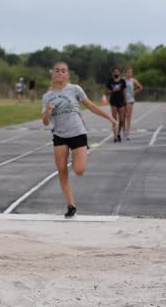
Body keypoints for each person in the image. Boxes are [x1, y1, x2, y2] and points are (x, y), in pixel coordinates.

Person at [42, 62, 117, 218]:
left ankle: (82, 153)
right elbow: (45, 122)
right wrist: (48, 111)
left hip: (77, 133)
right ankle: (71, 205)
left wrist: (110, 118)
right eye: (57, 70)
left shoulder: (75, 89)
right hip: (59, 135)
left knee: (79, 170)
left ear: (68, 74)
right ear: (53, 74)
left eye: (63, 71)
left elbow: (91, 106)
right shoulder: (47, 96)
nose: (60, 73)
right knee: (62, 171)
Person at [104, 66, 127, 143]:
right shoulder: (110, 81)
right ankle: (115, 136)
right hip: (113, 101)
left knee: (121, 119)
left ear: (120, 73)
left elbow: (124, 91)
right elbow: (105, 92)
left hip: (121, 101)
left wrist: (125, 101)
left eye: (118, 71)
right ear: (112, 73)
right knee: (114, 119)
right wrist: (113, 90)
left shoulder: (123, 81)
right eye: (115, 72)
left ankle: (119, 132)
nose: (116, 73)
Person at [123, 67, 143, 141]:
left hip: (130, 100)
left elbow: (140, 87)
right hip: (123, 100)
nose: (130, 74)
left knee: (128, 116)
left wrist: (134, 92)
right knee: (123, 116)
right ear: (125, 73)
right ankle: (123, 131)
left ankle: (128, 133)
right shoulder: (122, 80)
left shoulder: (133, 80)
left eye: (131, 72)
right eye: (128, 72)